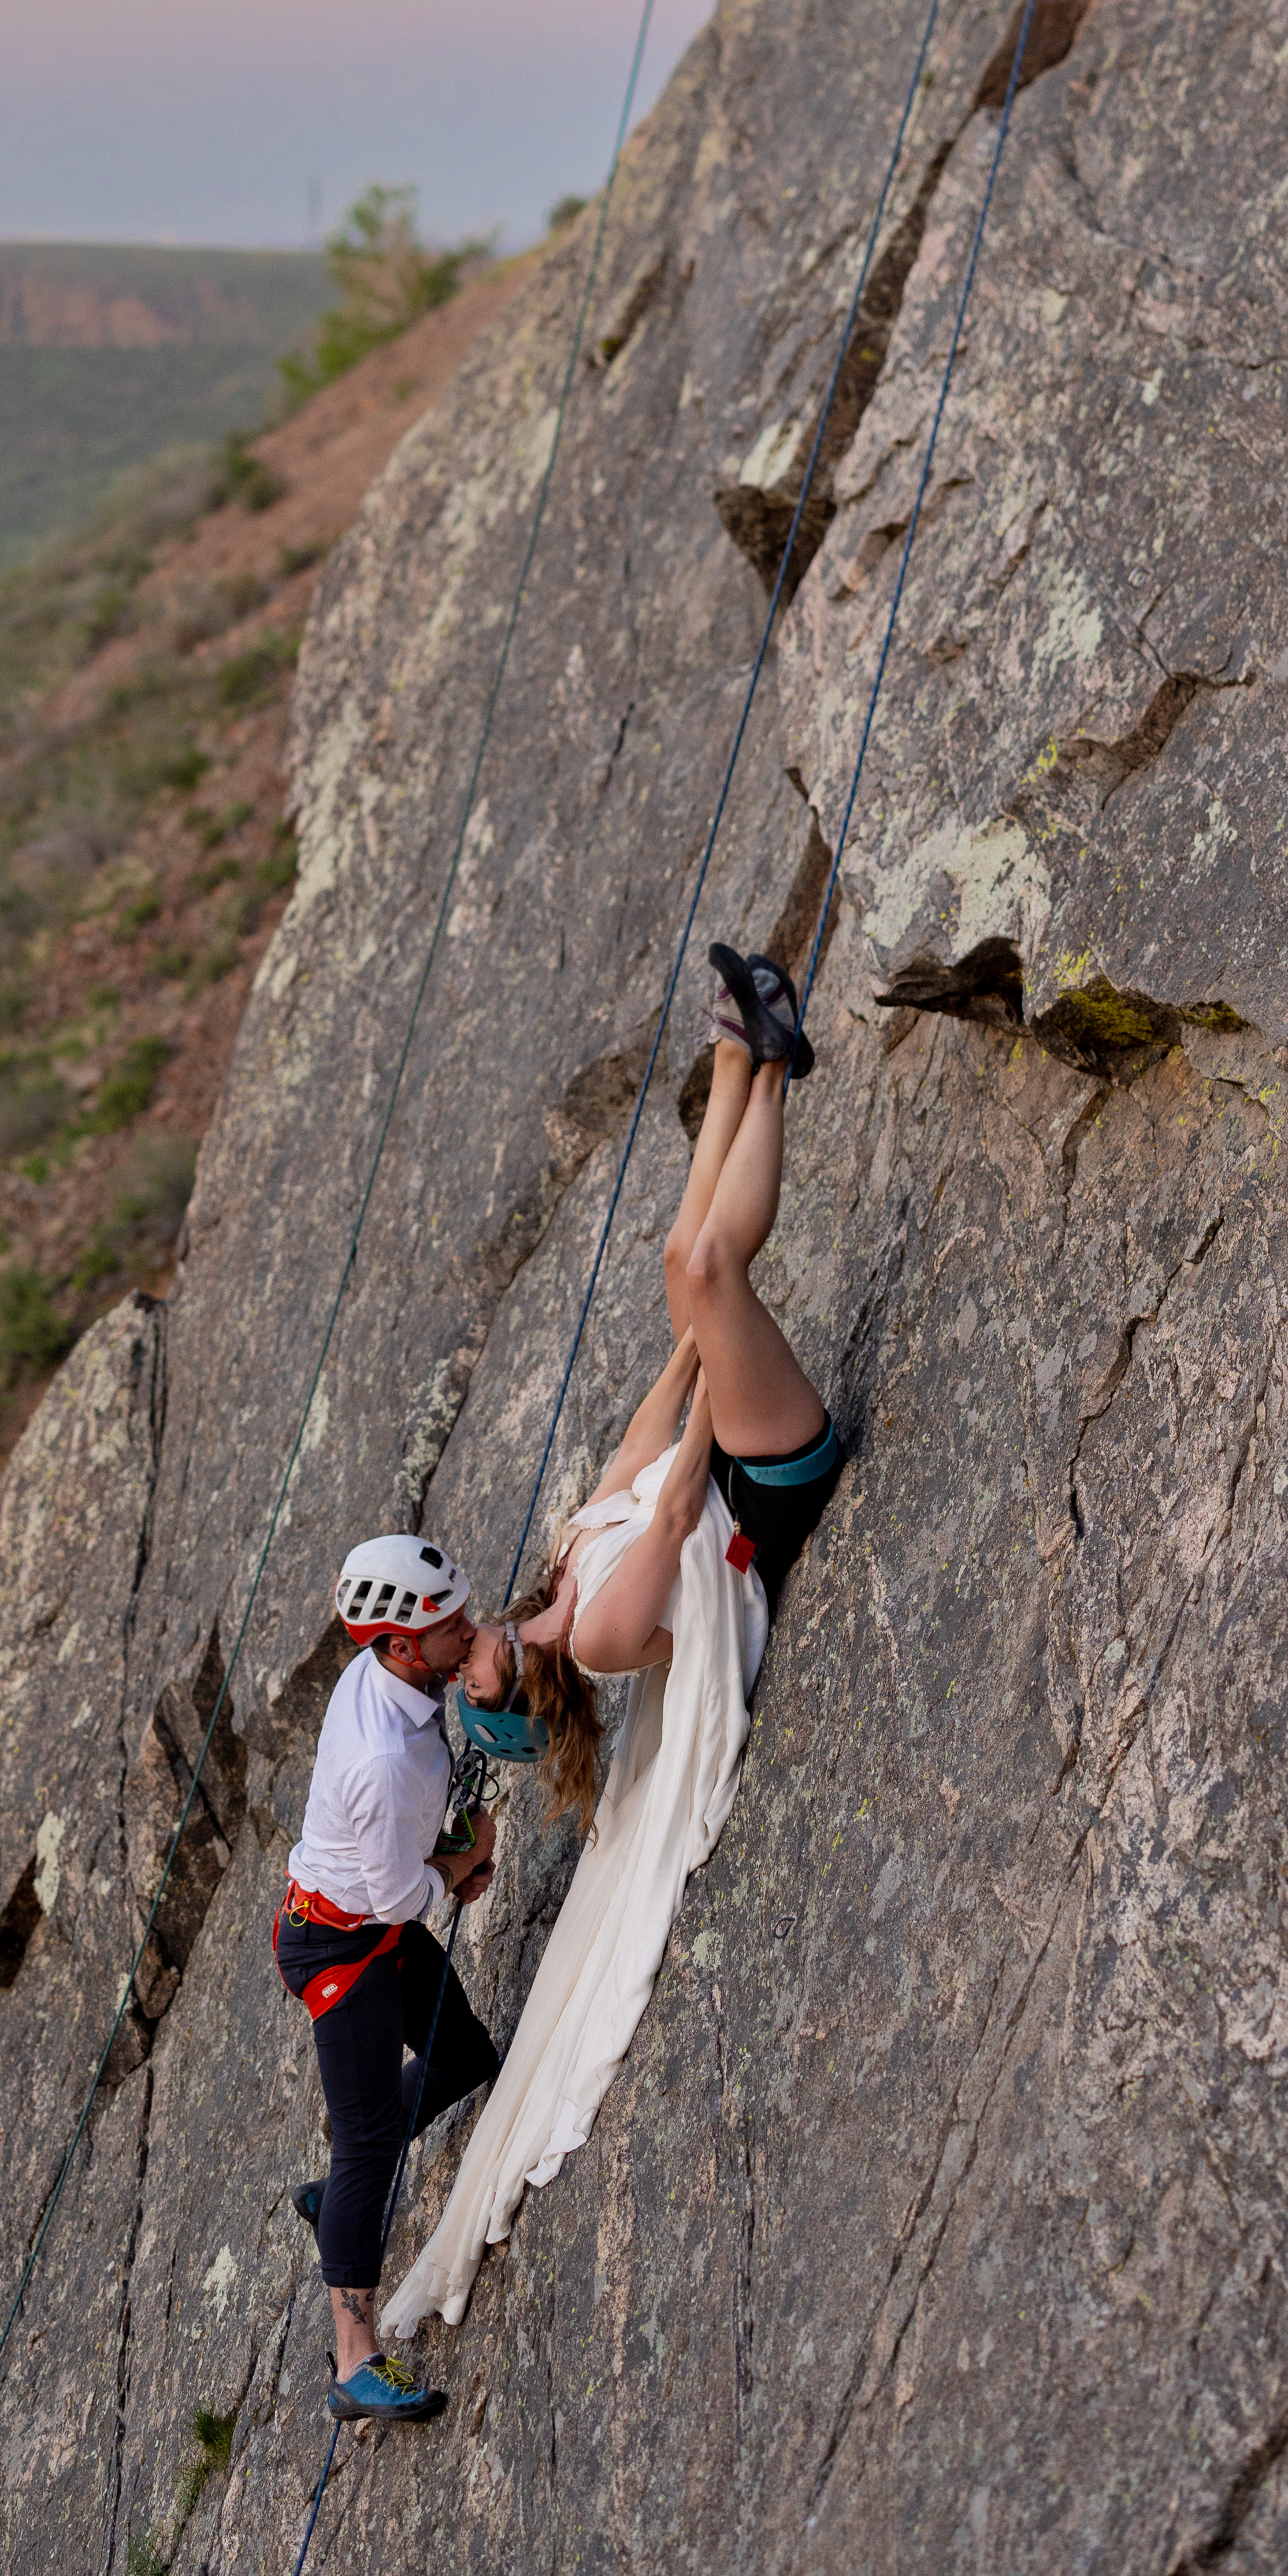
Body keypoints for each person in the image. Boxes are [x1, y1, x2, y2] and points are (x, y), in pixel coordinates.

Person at [383, 940, 849, 2340]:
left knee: (678, 1263)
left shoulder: (561, 1566)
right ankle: (770, 1058)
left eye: (456, 1670)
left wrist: (686, 1345)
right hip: (765, 1483)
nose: (458, 1656)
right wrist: (716, 1354)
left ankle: (745, 1048)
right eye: (469, 1675)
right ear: (518, 1680)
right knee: (711, 1267)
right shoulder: (597, 1637)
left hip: (708, 1465)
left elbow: (643, 1426)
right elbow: (689, 1473)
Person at [272, 1530, 503, 2426]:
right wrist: (457, 1866)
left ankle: (336, 2206)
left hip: (370, 1920)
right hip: (342, 1951)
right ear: (401, 1643)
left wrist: (449, 1854)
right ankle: (353, 2361)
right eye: (451, 1628)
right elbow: (400, 1896)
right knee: (367, 2141)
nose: (467, 1635)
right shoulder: (383, 1757)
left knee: (465, 2059)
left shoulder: (396, 1679)